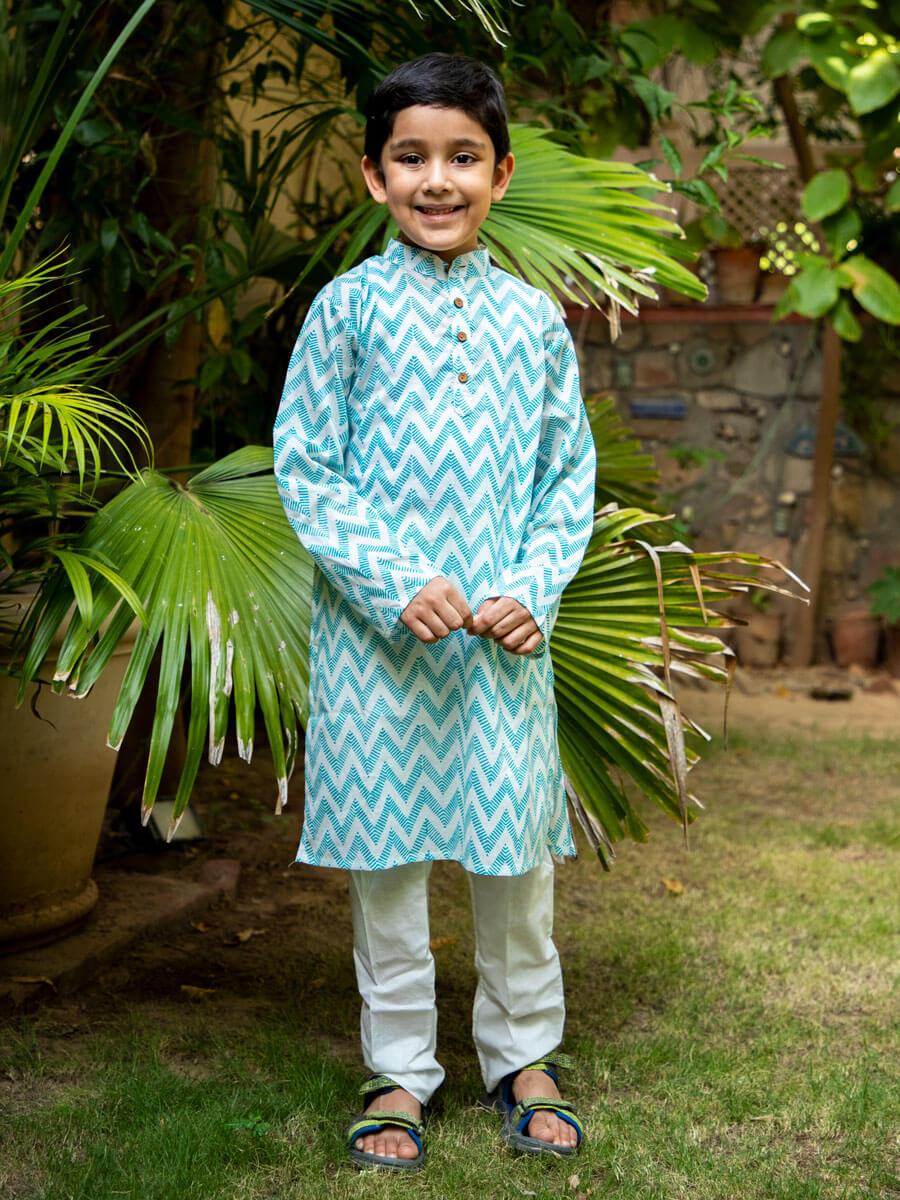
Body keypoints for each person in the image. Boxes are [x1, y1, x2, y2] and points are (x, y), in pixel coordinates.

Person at [273, 51, 597, 1172]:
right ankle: (401, 1068)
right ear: (375, 176)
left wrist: (532, 591)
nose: (437, 180)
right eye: (411, 158)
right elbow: (307, 466)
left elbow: (566, 477)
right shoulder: (347, 310)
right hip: (378, 644)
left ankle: (523, 1055)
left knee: (516, 867)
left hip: (502, 641)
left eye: (463, 157)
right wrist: (394, 579)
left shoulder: (533, 320)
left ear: (501, 174)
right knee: (388, 869)